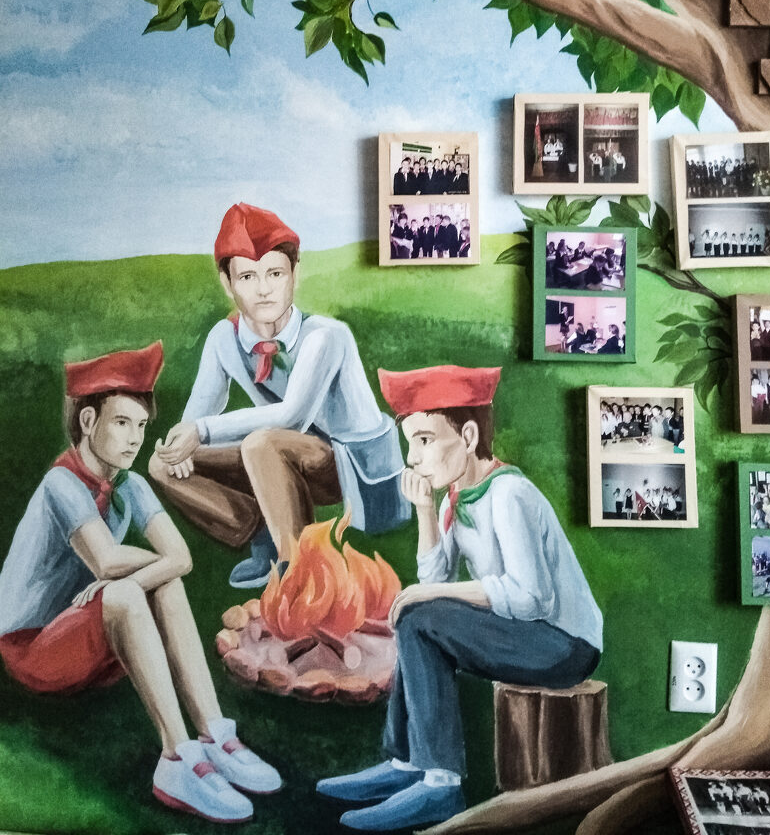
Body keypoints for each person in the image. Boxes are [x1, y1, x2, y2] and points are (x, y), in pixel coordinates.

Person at [0, 343, 281, 822]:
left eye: (142, 426)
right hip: (33, 648)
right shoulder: (61, 483)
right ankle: (176, 758)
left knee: (159, 584)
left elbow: (181, 559)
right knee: (131, 589)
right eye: (122, 423)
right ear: (88, 421)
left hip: (96, 635)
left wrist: (146, 573)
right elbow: (108, 561)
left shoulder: (130, 483)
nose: (135, 439)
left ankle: (216, 735)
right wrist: (144, 572)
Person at [316, 365, 602, 831]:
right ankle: (406, 763)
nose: (413, 458)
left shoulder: (509, 493)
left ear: (468, 436)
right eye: (410, 443)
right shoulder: (457, 497)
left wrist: (430, 594)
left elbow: (531, 597)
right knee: (418, 617)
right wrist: (426, 511)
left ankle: (441, 784)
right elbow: (435, 575)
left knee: (420, 617)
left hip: (564, 645)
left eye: (425, 440)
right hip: (524, 632)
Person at [149, 203, 408, 590]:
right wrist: (183, 443)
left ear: (294, 274)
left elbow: (292, 417)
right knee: (163, 463)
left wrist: (200, 431)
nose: (263, 289)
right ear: (227, 283)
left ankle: (304, 571)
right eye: (247, 276)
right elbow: (195, 419)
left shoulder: (325, 336)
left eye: (275, 273)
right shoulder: (224, 338)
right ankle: (262, 534)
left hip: (351, 465)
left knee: (260, 443)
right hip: (279, 458)